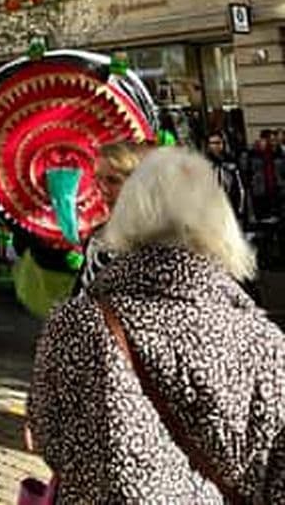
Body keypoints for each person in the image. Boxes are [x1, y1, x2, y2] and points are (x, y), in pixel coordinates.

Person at [28, 147, 285, 504]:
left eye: (113, 180)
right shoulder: (265, 342)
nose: (102, 187)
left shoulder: (77, 324)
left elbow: (49, 439)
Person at [72, 139, 151, 294]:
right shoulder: (100, 232)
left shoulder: (155, 239)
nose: (102, 189)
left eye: (113, 181)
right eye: (98, 179)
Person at [205, 131, 248, 224]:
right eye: (213, 143)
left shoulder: (231, 161)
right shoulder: (204, 163)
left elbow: (240, 186)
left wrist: (240, 209)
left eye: (218, 143)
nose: (216, 146)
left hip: (230, 204)